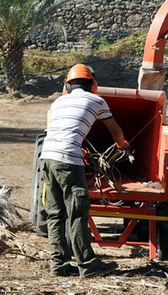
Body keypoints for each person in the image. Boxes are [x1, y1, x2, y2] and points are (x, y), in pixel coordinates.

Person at [39, 64, 130, 277]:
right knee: (78, 213)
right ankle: (88, 265)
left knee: (55, 214)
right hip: (69, 163)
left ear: (67, 86)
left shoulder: (59, 101)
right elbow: (116, 132)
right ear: (93, 84)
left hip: (47, 158)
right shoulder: (97, 101)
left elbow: (62, 131)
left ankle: (59, 265)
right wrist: (121, 146)